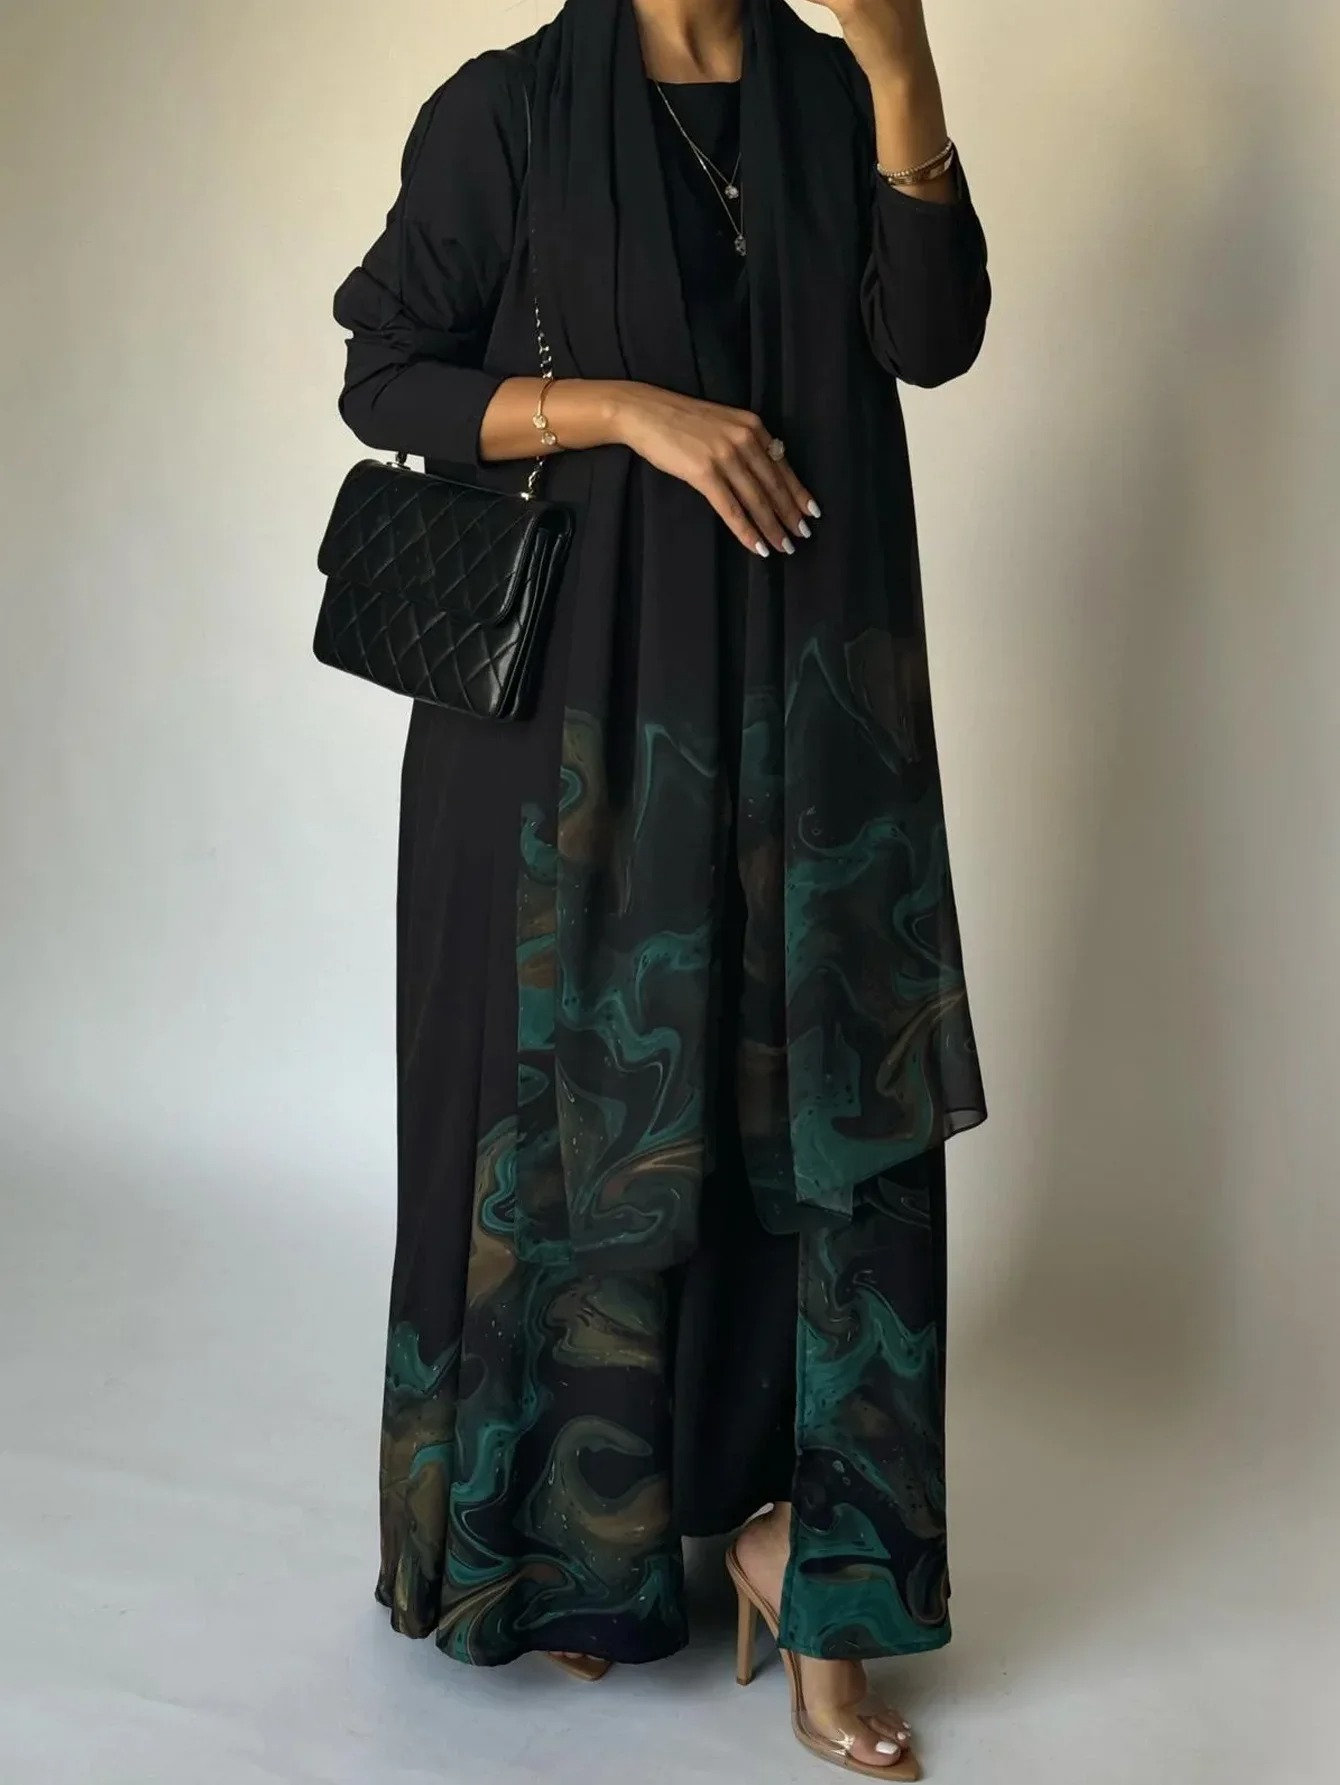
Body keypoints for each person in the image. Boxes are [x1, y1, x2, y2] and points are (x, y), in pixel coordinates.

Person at [331, 0, 990, 1775]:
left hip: (810, 722)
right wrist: (632, 411)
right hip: (566, 731)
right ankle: (577, 1539)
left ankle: (815, 1564)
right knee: (574, 1112)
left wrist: (903, 67)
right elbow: (384, 374)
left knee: (826, 1110)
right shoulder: (506, 113)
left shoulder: (833, 88)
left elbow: (933, 339)